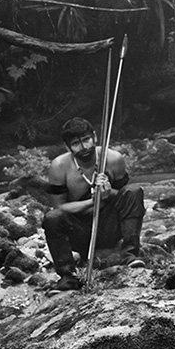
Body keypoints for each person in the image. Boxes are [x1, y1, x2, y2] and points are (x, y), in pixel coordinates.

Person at [42, 117, 146, 291]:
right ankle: (68, 276)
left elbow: (125, 197)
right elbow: (59, 208)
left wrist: (108, 193)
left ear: (95, 137)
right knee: (52, 218)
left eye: (86, 140)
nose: (83, 147)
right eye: (76, 143)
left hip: (110, 228)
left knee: (134, 191)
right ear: (68, 147)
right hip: (80, 233)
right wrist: (92, 201)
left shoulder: (113, 159)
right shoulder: (59, 166)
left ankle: (129, 255)